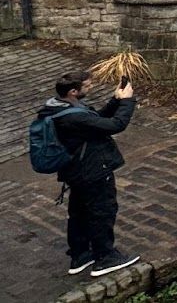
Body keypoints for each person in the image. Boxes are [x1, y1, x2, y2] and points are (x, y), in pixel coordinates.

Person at [38, 71, 139, 277]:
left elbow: (95, 120)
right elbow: (114, 125)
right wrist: (128, 101)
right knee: (102, 211)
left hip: (74, 171)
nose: (90, 87)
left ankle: (81, 254)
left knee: (79, 212)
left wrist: (115, 100)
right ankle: (105, 257)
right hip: (92, 170)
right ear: (74, 91)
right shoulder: (74, 116)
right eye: (88, 86)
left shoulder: (58, 107)